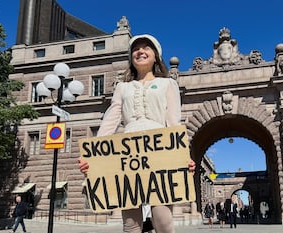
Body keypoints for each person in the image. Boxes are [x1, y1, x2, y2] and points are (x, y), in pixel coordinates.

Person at [78, 34, 196, 233]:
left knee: (162, 216)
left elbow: (174, 122)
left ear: (156, 56)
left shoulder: (168, 84)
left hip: (161, 152)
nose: (140, 51)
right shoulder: (122, 88)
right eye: (136, 49)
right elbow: (110, 121)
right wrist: (93, 154)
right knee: (131, 222)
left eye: (146, 48)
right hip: (127, 154)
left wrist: (183, 157)